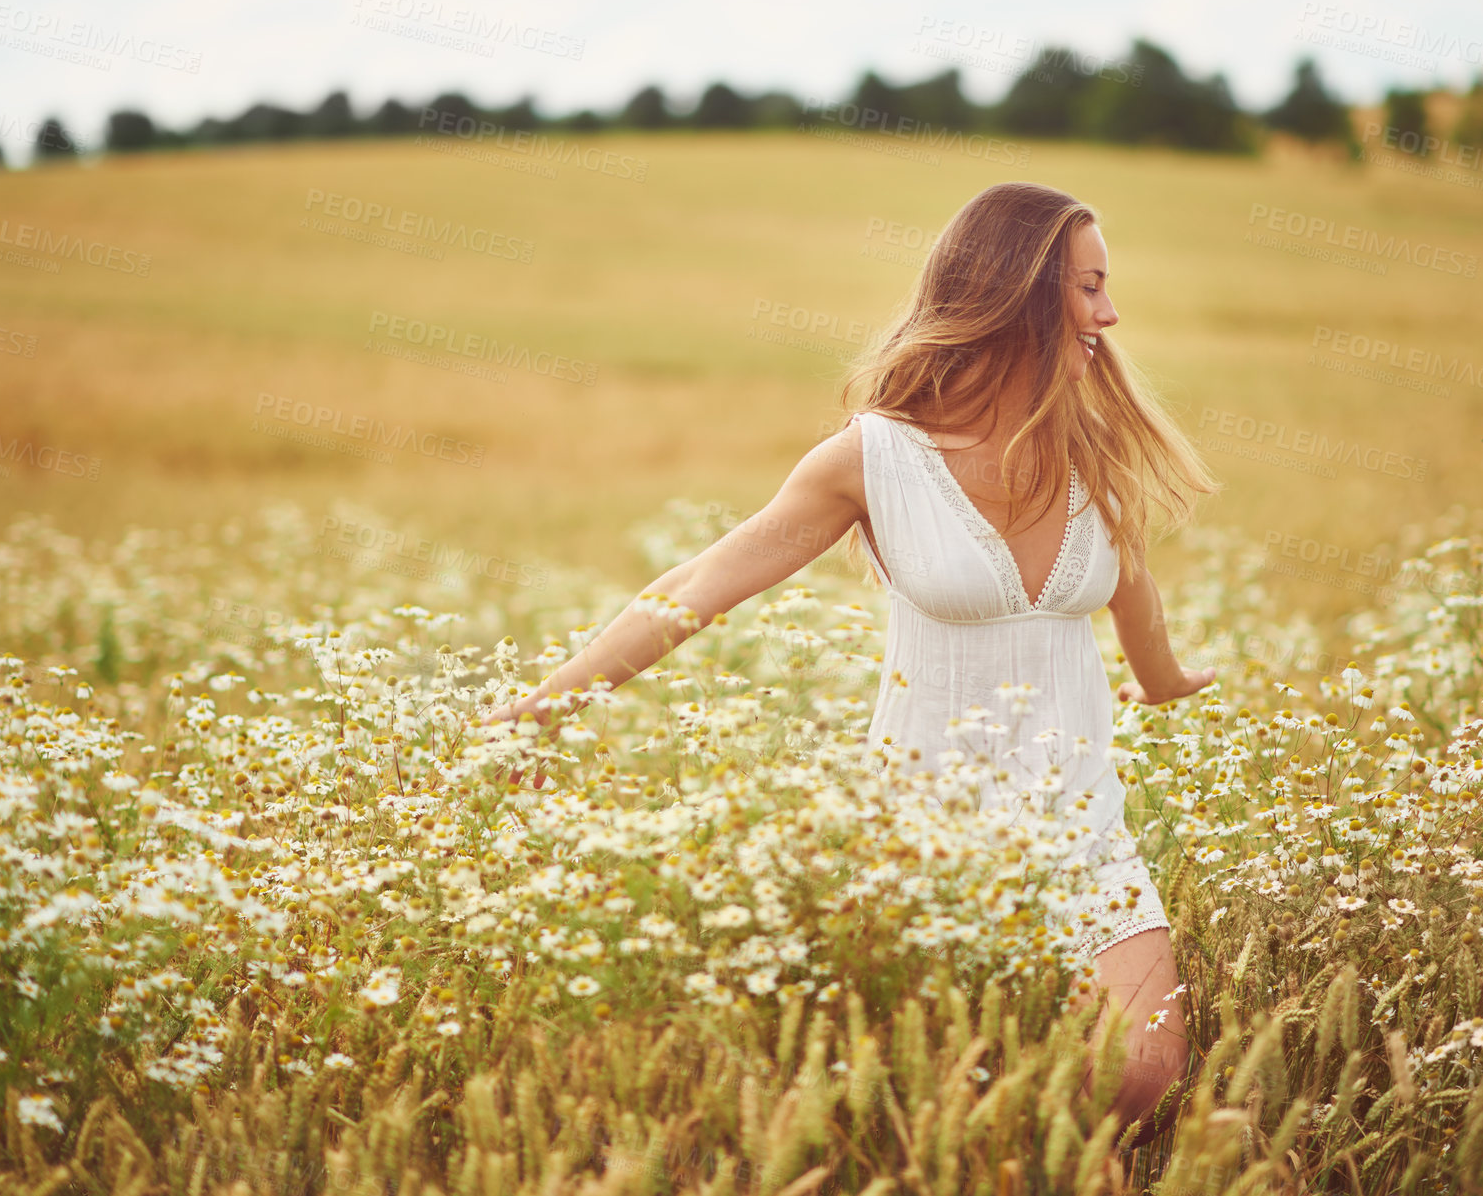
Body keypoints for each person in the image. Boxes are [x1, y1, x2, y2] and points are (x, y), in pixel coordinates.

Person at [483, 180, 1218, 1149]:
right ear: (1021, 293)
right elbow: (705, 579)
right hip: (924, 841)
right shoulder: (873, 458)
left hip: (1085, 830)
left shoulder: (1089, 447)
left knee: (1140, 1070)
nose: (1108, 314)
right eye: (1087, 288)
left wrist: (1163, 679)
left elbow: (1129, 585)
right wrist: (551, 702)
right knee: (938, 1098)